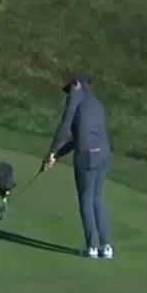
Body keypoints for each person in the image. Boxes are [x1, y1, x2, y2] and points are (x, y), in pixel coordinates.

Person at [43, 74, 114, 259]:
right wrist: (57, 155)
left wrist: (52, 151)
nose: (69, 94)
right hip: (104, 154)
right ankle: (106, 247)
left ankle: (91, 246)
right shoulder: (97, 103)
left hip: (87, 156)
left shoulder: (76, 99)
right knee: (97, 198)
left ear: (77, 85)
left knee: (86, 199)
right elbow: (78, 137)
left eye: (70, 89)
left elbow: (65, 126)